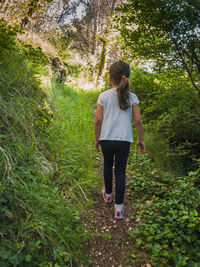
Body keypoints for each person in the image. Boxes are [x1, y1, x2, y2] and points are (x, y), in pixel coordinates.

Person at [94, 61, 145, 219]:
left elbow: (98, 120)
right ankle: (118, 209)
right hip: (124, 140)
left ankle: (108, 195)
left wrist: (97, 139)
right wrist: (140, 140)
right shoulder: (132, 97)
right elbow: (138, 120)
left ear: (110, 78)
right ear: (127, 77)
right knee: (121, 171)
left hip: (106, 140)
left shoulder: (103, 96)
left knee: (108, 165)